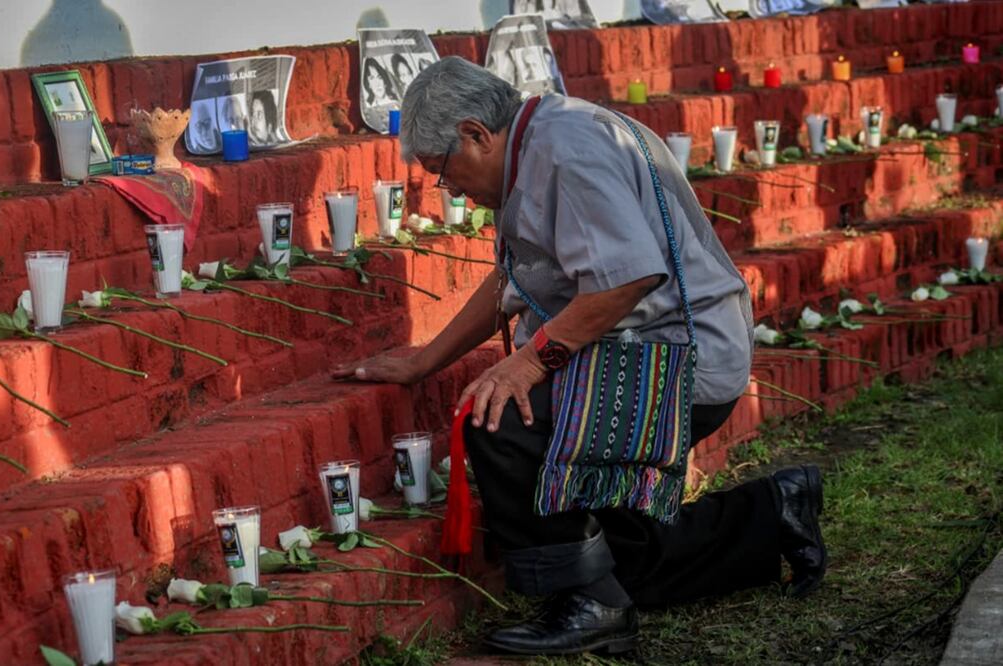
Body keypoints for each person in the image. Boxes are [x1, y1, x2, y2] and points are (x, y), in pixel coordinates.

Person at [332, 56, 827, 656]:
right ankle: (775, 511)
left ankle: (586, 603)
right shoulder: (538, 142)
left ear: (475, 133)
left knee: (502, 422)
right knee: (620, 561)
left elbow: (627, 279)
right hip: (637, 349)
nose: (451, 190)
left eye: (444, 171)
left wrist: (528, 363)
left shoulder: (568, 149)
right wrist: (424, 361)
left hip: (678, 359)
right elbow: (512, 280)